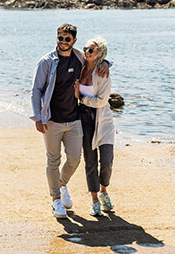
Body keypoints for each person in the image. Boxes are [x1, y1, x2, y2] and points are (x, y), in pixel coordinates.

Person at [30, 23, 108, 218]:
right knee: (53, 160)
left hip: (74, 120)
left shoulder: (79, 58)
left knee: (74, 159)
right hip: (52, 121)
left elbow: (94, 60)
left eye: (67, 39)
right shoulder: (47, 61)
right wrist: (38, 117)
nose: (63, 42)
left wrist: (106, 64)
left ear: (74, 40)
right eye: (60, 38)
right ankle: (56, 199)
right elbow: (36, 90)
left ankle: (62, 184)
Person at [74, 37, 116, 217]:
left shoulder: (102, 72)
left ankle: (103, 190)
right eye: (86, 49)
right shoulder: (80, 65)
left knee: (106, 160)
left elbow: (101, 101)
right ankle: (94, 200)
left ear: (99, 54)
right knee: (90, 161)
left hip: (103, 118)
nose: (87, 52)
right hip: (84, 119)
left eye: (92, 50)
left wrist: (81, 97)